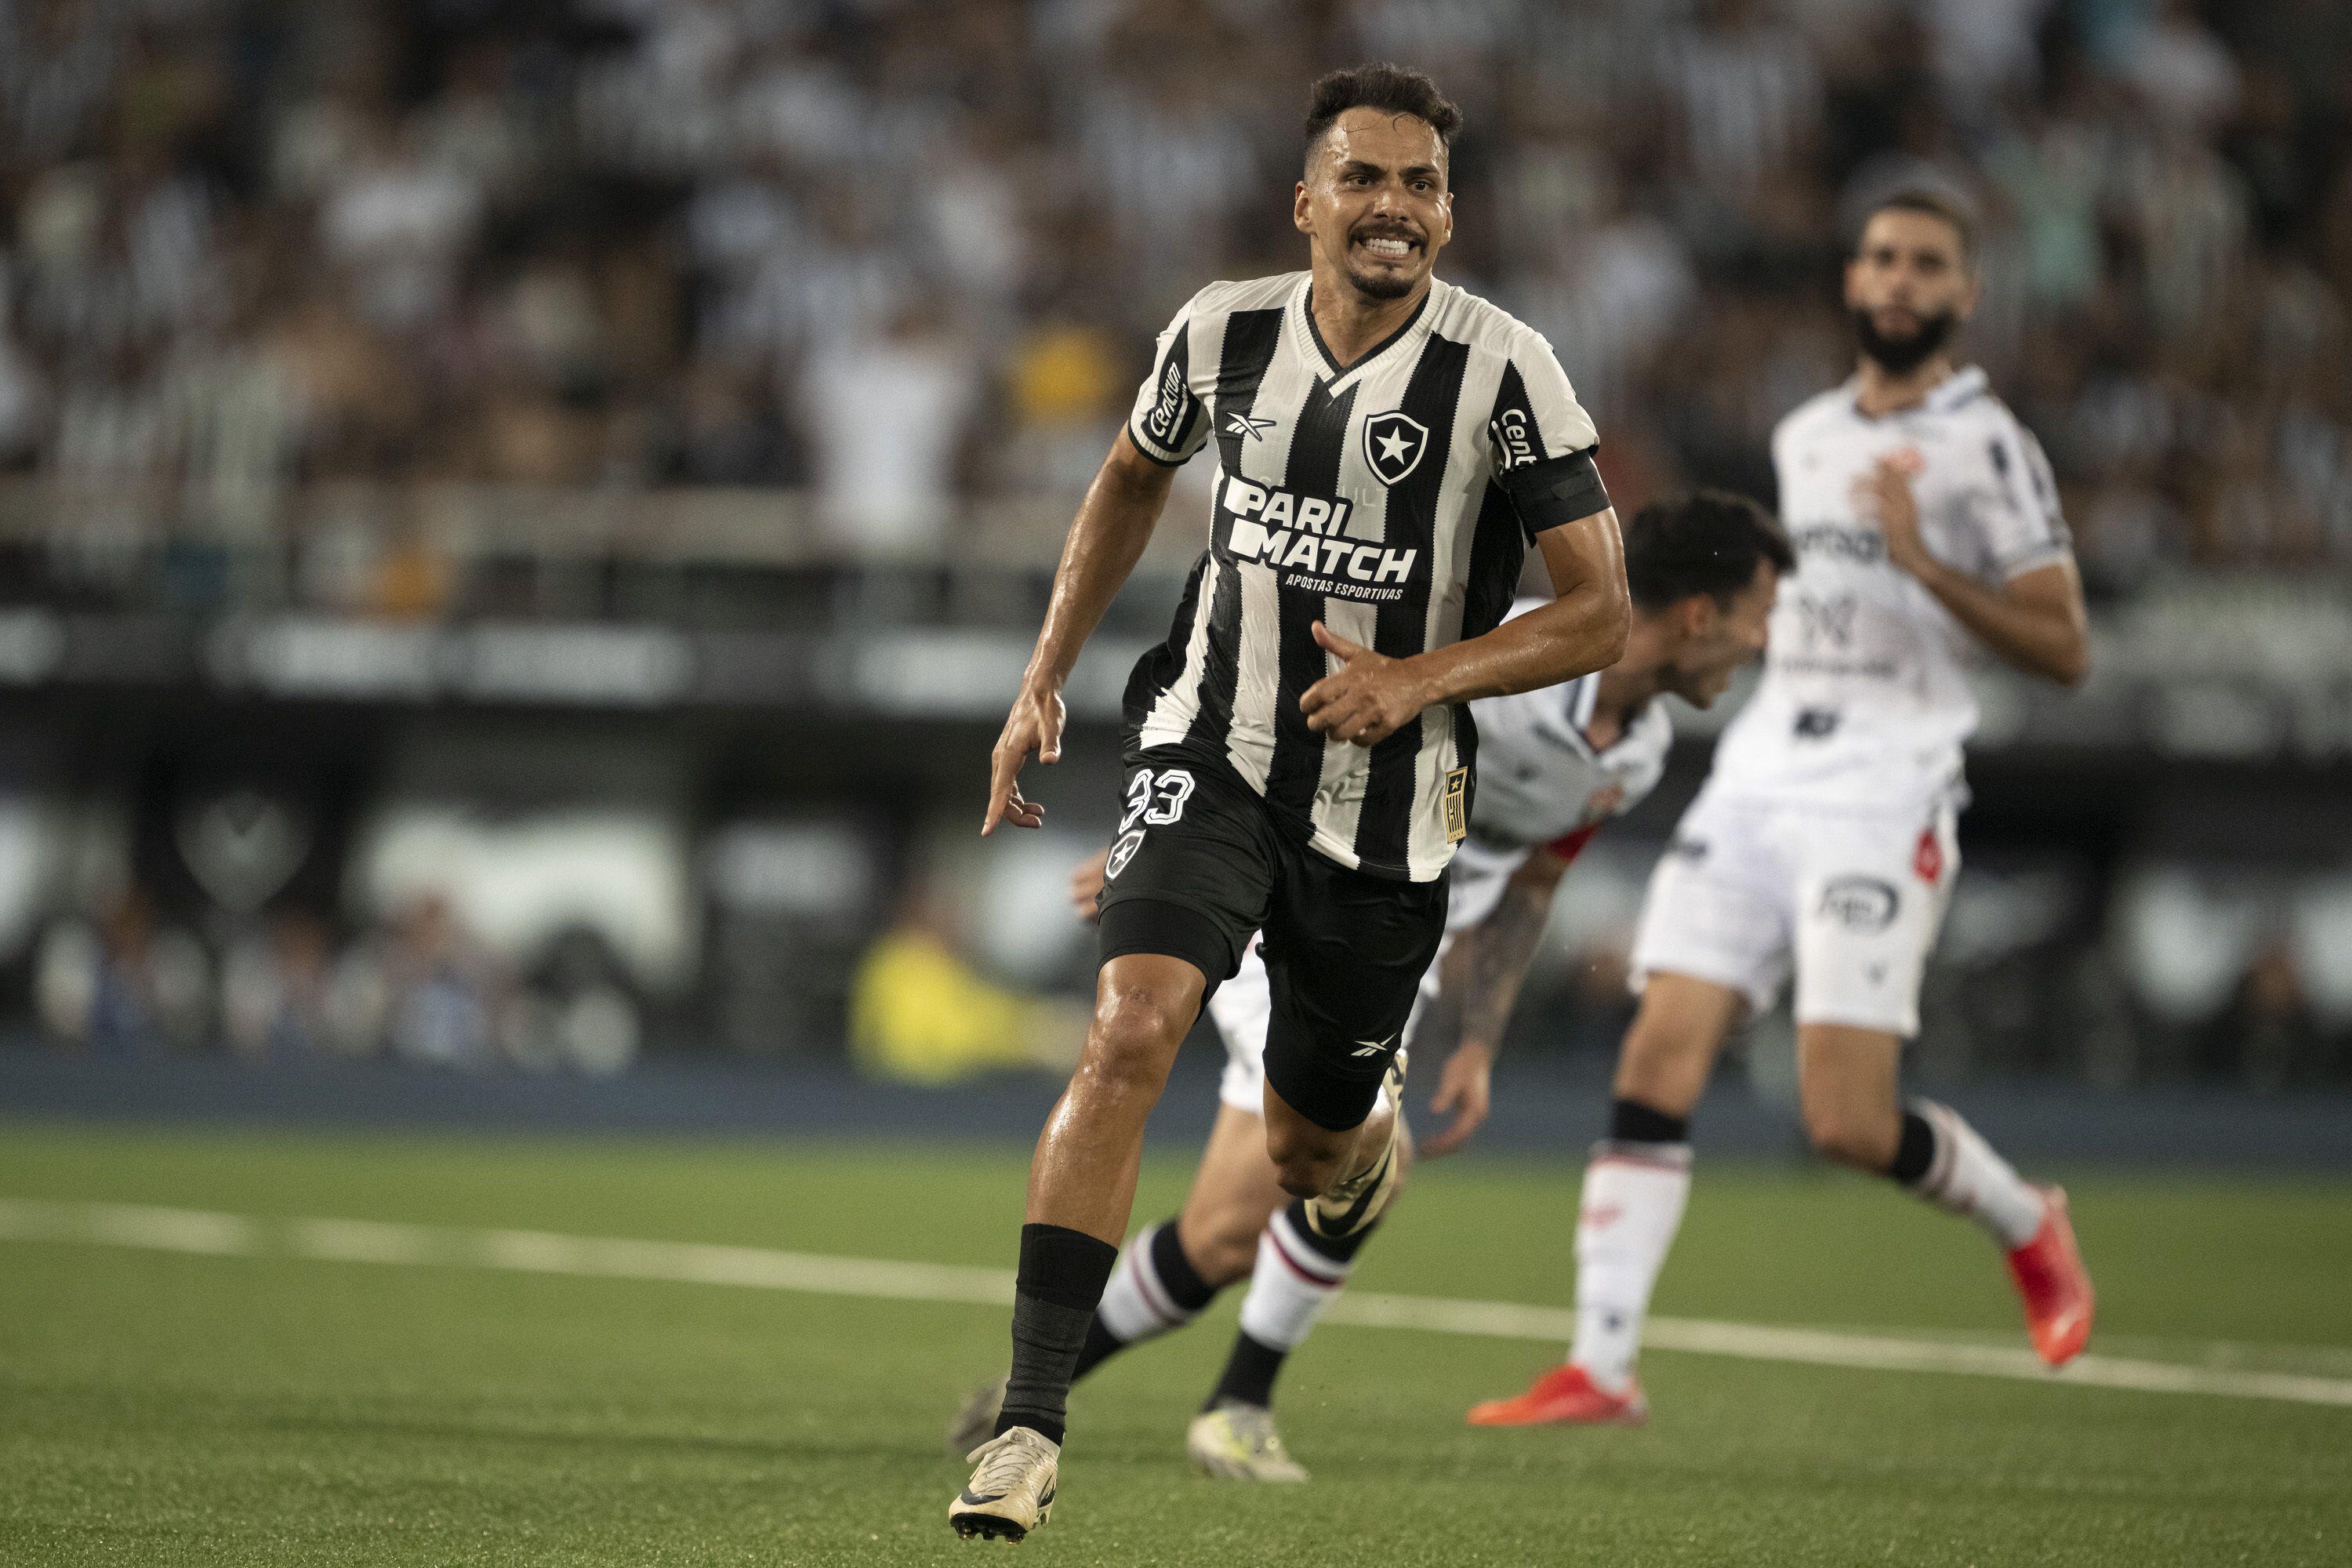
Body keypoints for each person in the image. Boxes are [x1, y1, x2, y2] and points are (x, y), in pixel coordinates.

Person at [950, 63, 1633, 1542]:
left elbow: (1600, 615)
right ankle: (1026, 1426)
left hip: (1388, 813)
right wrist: (1043, 678)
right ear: (1307, 200)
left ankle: (1356, 1130)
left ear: (1448, 214)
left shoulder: (1507, 372)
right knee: (1132, 1023)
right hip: (1212, 740)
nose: (1395, 209)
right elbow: (1127, 481)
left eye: (1424, 186)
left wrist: (1421, 678)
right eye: (1367, 180)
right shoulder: (1221, 328)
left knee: (1309, 1155)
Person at [948, 492, 1792, 1479]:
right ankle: (1236, 1405)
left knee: (1226, 1229)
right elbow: (1296, 702)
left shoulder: (1636, 752)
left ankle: (1024, 1400)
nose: (1765, 639)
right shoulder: (1499, 657)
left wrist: (1478, 1039)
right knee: (1363, 1156)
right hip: (1299, 907)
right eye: (1759, 611)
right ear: (1699, 614)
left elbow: (1531, 881)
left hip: (1399, 956)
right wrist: (1175, 844)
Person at [1466, 189, 2097, 1431]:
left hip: (1885, 780)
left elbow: (2066, 645)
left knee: (1846, 1120)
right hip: (1763, 769)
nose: (1897, 280)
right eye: (1878, 258)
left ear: (1966, 294)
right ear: (1852, 284)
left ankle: (2029, 1221)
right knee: (1656, 1049)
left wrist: (1924, 563)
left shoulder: (1988, 445)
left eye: (1925, 263)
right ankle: (1602, 1364)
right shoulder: (1807, 434)